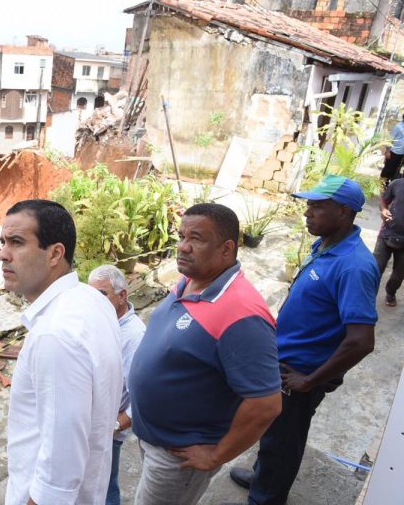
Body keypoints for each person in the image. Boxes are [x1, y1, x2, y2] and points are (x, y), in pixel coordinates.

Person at [229, 175, 380, 505]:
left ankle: (265, 498)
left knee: (284, 440)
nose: (307, 212)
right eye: (308, 205)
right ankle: (262, 476)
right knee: (272, 429)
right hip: (285, 361)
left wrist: (310, 380)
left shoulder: (354, 265)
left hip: (301, 371)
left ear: (343, 212)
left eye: (316, 206)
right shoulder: (326, 244)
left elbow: (361, 341)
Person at [128, 203, 282, 505]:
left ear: (226, 249)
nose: (183, 247)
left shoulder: (242, 314)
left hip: (179, 455)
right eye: (181, 236)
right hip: (153, 435)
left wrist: (217, 454)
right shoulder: (190, 280)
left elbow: (266, 404)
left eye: (196, 238)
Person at [0, 199, 123, 505]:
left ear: (55, 253)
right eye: (2, 242)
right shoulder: (90, 299)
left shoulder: (55, 334)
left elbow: (59, 472)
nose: (2, 254)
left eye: (17, 242)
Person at [88, 264, 146, 505]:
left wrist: (114, 426)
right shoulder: (103, 322)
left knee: (104, 487)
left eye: (102, 295)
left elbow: (142, 400)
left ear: (122, 295)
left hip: (107, 431)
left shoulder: (134, 337)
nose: (95, 302)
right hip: (91, 425)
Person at [374, 177, 404, 307]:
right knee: (375, 268)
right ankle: (366, 296)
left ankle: (390, 292)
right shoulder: (397, 184)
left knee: (398, 275)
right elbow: (383, 200)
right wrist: (384, 210)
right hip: (386, 234)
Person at [380, 114, 404, 187]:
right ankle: (381, 185)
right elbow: (390, 139)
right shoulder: (398, 127)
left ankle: (389, 186)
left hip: (401, 153)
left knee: (395, 170)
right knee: (388, 169)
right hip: (394, 151)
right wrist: (387, 151)